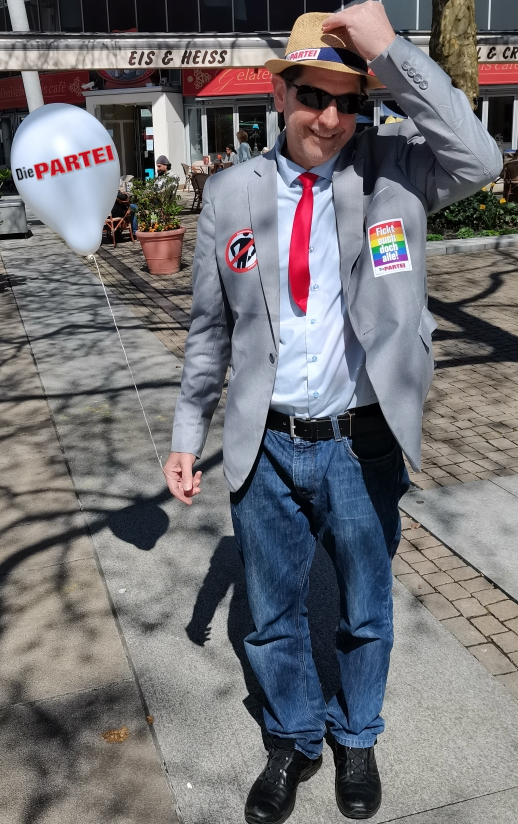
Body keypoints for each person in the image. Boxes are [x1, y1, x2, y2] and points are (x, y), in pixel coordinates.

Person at [164, 4, 500, 823]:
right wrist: (185, 434)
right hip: (266, 445)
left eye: (349, 100)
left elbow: (483, 155)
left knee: (364, 610)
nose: (330, 118)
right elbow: (211, 330)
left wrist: (386, 46)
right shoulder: (232, 193)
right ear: (279, 94)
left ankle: (357, 736)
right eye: (313, 96)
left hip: (363, 445)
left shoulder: (397, 173)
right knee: (272, 617)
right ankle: (294, 740)